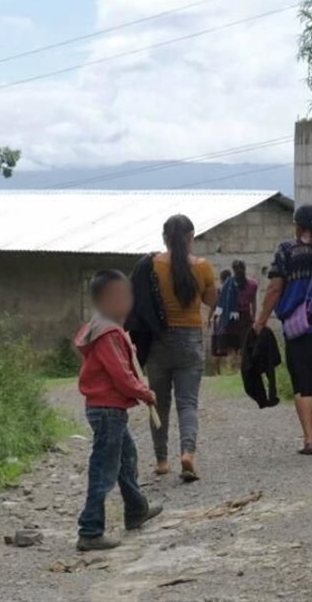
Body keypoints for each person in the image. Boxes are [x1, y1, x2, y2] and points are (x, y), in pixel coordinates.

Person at [74, 270, 164, 551]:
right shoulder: (107, 332)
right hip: (108, 410)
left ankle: (136, 509)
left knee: (127, 459)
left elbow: (119, 366)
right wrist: (145, 392)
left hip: (107, 409)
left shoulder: (103, 328)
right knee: (104, 468)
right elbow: (121, 376)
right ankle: (90, 530)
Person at [254, 204, 312, 455]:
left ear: (298, 226)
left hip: (300, 328)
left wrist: (260, 320)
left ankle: (309, 440)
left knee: (304, 383)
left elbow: (274, 289)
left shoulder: (287, 250)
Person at [147, 215, 217, 481]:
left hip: (158, 341)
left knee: (159, 403)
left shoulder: (152, 265)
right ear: (191, 238)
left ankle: (161, 460)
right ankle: (187, 453)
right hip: (189, 340)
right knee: (187, 404)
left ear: (164, 238)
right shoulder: (202, 267)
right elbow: (211, 300)